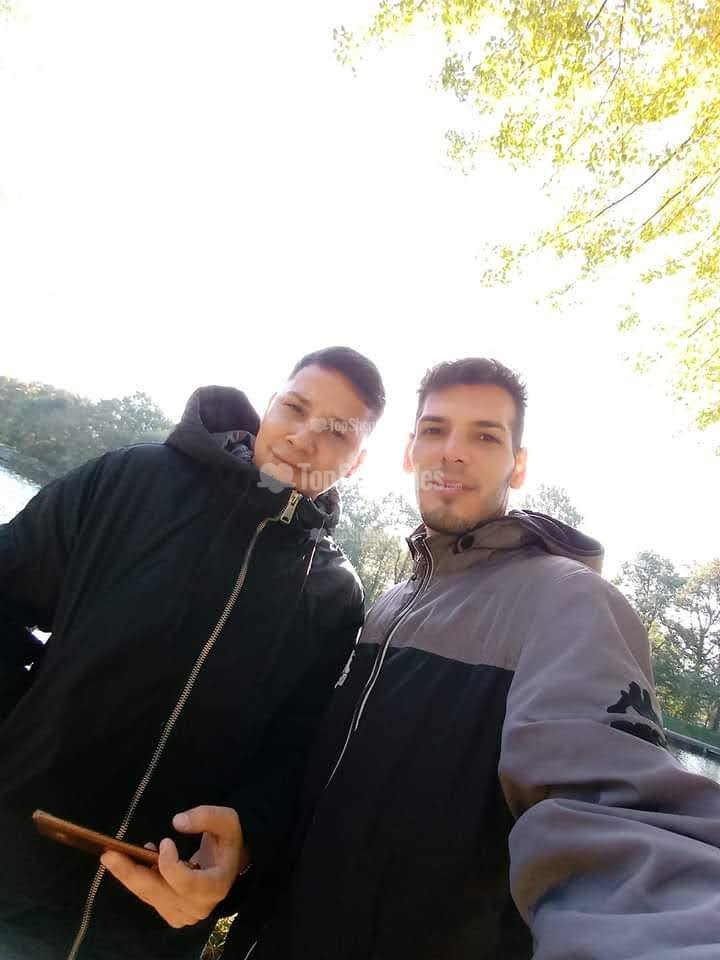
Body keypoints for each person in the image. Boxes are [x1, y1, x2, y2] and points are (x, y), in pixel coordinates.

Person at [139, 356, 720, 959]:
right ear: (410, 451)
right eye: (436, 430)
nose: (453, 452)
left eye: (485, 436)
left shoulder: (569, 602)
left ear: (518, 465)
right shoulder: (386, 607)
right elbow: (323, 787)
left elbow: (615, 814)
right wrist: (248, 849)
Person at [0, 345, 384, 960]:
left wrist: (245, 846)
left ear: (357, 461)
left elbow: (293, 756)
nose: (303, 437)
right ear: (269, 406)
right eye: (295, 408)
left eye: (337, 432)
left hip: (150, 929)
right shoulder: (130, 481)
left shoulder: (335, 595)